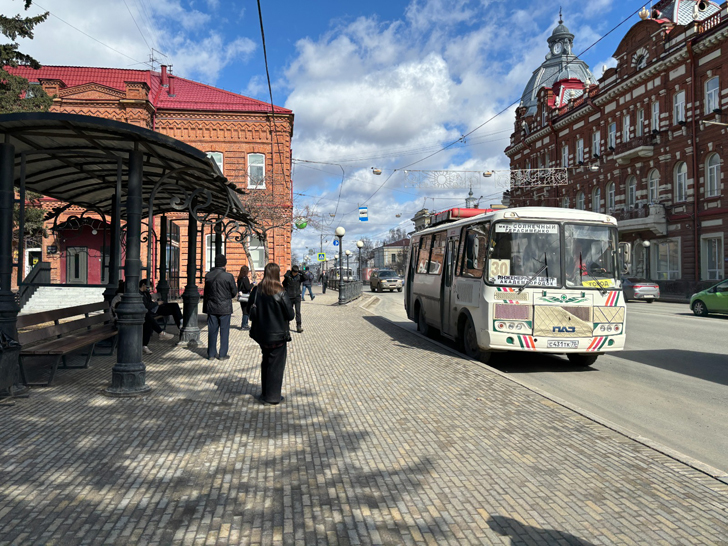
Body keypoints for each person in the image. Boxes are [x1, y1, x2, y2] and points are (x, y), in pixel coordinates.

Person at [248, 262, 295, 405]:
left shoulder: (256, 291)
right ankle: (272, 397)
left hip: (261, 334)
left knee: (266, 361)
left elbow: (249, 309)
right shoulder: (280, 291)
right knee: (276, 365)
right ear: (276, 274)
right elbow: (291, 315)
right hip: (278, 335)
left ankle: (265, 393)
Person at [203, 254, 238, 360]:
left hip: (212, 307)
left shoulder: (208, 276)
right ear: (224, 263)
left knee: (212, 331)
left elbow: (206, 292)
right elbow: (234, 292)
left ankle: (211, 354)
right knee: (224, 331)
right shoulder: (228, 276)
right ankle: (222, 354)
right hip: (225, 307)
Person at [139, 279, 179, 354]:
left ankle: (145, 345)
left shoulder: (146, 293)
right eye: (148, 287)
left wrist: (155, 302)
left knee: (173, 306)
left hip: (148, 312)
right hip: (144, 313)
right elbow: (146, 305)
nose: (149, 289)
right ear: (143, 285)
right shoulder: (139, 294)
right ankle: (160, 334)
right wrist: (157, 303)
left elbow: (149, 303)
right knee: (149, 321)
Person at [282, 264, 303, 333]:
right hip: (289, 297)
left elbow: (306, 277)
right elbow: (283, 283)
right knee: (288, 312)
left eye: (296, 272)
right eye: (294, 272)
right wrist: (288, 273)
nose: (295, 274)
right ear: (292, 272)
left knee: (298, 312)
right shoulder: (288, 277)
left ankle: (299, 326)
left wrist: (300, 271)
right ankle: (287, 325)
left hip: (297, 297)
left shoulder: (299, 277)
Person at [237, 265, 253, 330]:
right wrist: (252, 284)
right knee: (246, 311)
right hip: (246, 296)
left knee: (244, 310)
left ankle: (245, 324)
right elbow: (248, 287)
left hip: (241, 296)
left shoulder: (239, 278)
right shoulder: (245, 278)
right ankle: (244, 325)